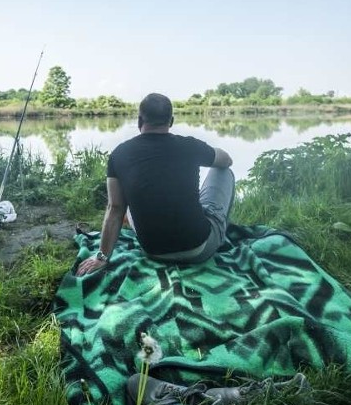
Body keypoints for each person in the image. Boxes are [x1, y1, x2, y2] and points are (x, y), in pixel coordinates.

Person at [76, 93, 235, 276]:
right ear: (171, 121)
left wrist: (101, 257)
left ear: (139, 121)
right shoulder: (189, 146)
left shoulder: (119, 153)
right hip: (198, 248)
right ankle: (218, 230)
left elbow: (115, 208)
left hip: (153, 251)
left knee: (123, 205)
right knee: (224, 172)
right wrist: (205, 153)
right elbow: (227, 160)